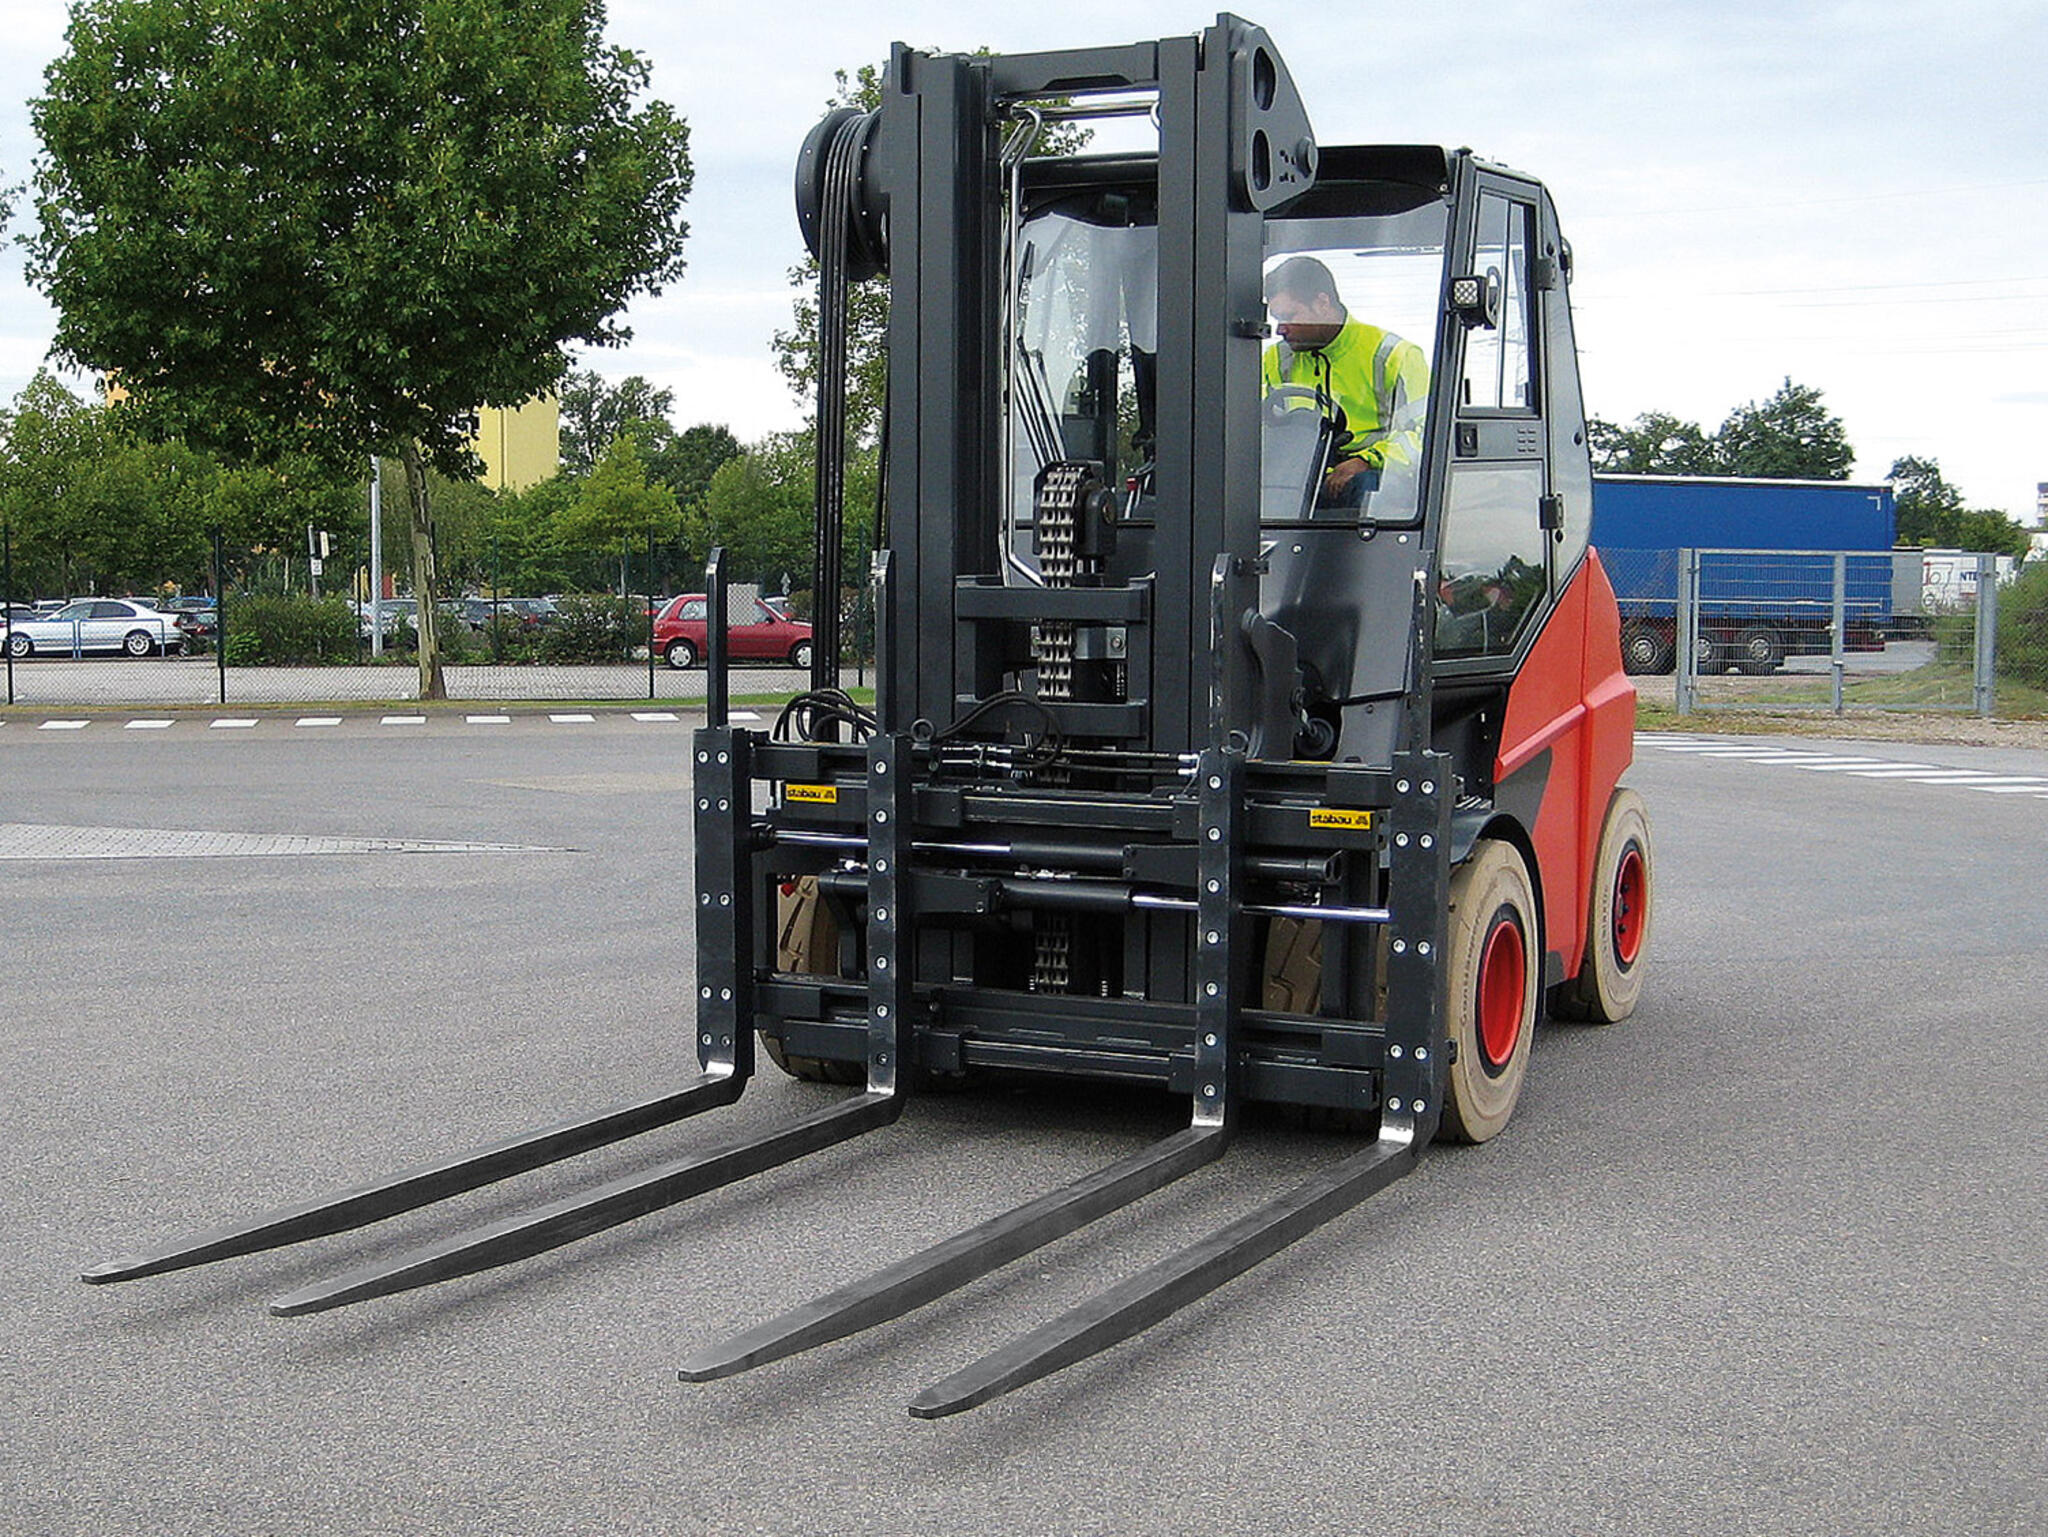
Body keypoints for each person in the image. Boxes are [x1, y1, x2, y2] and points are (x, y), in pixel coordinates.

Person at [1261, 256, 1430, 507]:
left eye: (1289, 316)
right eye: (1277, 319)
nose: (1280, 330)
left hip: (1374, 488)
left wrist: (1367, 460)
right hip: (1297, 483)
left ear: (1322, 303)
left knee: (1368, 488)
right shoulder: (1275, 359)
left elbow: (1424, 434)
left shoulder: (1393, 356)